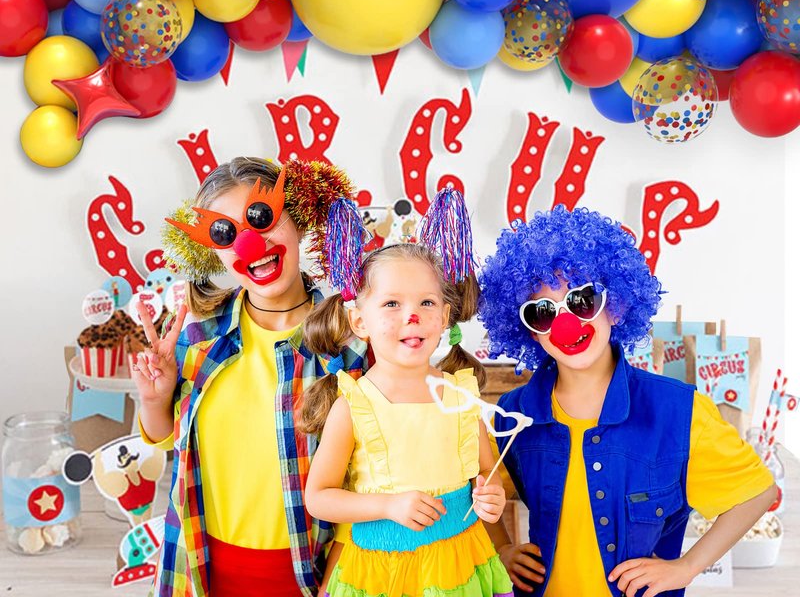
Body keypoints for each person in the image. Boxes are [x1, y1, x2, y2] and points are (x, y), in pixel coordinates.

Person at [479, 205, 777, 597]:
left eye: (582, 301)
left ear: (616, 307)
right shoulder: (513, 415)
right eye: (543, 312)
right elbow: (477, 488)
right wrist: (502, 548)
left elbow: (756, 492)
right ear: (531, 331)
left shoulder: (678, 412)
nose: (566, 324)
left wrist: (687, 568)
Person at [133, 156, 366, 597]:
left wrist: (338, 578)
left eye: (261, 218)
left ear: (297, 218)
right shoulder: (198, 334)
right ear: (214, 249)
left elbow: (370, 476)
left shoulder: (348, 340)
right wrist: (154, 399)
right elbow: (169, 440)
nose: (249, 244)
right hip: (198, 567)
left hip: (312, 575)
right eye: (225, 233)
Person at [302, 190, 514, 597]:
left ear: (445, 316)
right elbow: (319, 498)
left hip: (459, 566)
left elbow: (486, 477)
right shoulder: (354, 405)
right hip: (382, 571)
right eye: (392, 304)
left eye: (427, 302)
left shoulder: (461, 397)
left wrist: (491, 499)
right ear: (359, 321)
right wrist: (387, 506)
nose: (412, 315)